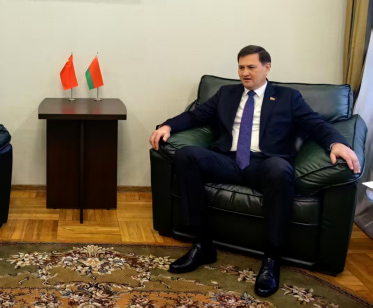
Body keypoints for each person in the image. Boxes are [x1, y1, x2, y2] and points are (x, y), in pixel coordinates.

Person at [149, 45, 360, 297]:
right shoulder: (226, 93)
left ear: (267, 67)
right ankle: (203, 245)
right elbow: (196, 116)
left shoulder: (288, 97)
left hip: (265, 163)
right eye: (241, 67)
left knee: (279, 168)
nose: (244, 73)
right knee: (186, 155)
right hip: (228, 160)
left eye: (251, 67)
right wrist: (167, 126)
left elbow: (315, 124)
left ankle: (271, 259)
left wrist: (336, 143)